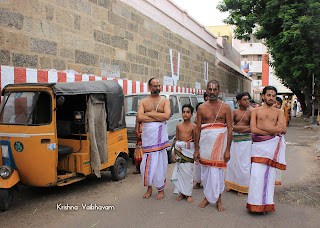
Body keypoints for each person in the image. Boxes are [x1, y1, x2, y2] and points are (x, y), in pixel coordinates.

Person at [247, 86, 287, 213]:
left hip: (271, 147)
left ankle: (266, 205)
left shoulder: (279, 112)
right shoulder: (255, 111)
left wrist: (263, 129)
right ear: (263, 96)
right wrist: (274, 129)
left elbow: (283, 130)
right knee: (256, 176)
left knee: (269, 177)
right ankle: (254, 204)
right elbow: (253, 129)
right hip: (258, 146)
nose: (271, 98)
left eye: (274, 95)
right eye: (269, 95)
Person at [194, 80, 232, 211]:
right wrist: (196, 149)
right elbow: (198, 129)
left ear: (219, 91)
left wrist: (228, 150)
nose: (212, 92)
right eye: (210, 89)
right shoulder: (201, 108)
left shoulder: (226, 107)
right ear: (206, 90)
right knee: (206, 174)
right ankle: (207, 197)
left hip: (220, 146)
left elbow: (230, 129)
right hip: (205, 146)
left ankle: (218, 199)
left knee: (218, 173)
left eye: (215, 89)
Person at [137, 78, 171, 199]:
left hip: (160, 139)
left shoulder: (165, 101)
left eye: (158, 86)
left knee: (160, 164)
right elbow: (140, 117)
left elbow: (166, 116)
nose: (157, 88)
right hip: (148, 139)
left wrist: (149, 114)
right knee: (146, 164)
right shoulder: (143, 101)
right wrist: (158, 117)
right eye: (154, 86)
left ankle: (161, 190)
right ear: (149, 87)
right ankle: (149, 188)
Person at [225, 92, 252, 197]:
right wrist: (244, 128)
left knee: (244, 165)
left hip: (246, 142)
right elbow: (230, 126)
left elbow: (252, 128)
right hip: (235, 141)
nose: (247, 101)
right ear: (239, 101)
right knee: (233, 164)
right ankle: (232, 186)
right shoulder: (234, 112)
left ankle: (242, 187)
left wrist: (237, 128)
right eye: (244, 99)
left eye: (248, 99)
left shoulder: (250, 113)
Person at [171, 104, 196, 203]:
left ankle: (188, 194)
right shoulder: (178, 126)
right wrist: (174, 153)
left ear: (192, 114)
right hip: (180, 152)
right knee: (180, 173)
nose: (185, 114)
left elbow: (195, 141)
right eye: (183, 112)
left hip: (189, 153)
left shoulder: (194, 126)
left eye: (187, 112)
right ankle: (181, 193)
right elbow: (177, 140)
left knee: (188, 173)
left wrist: (196, 152)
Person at [194, 92, 208, 189]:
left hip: (210, 138)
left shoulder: (216, 109)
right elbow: (196, 121)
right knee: (199, 161)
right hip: (201, 136)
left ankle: (207, 181)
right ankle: (198, 181)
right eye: (206, 98)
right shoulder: (201, 108)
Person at [273, 96, 285, 186]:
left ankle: (274, 181)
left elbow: (283, 130)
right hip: (266, 141)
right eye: (275, 103)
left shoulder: (281, 115)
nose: (276, 105)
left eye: (278, 104)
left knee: (275, 161)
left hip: (277, 141)